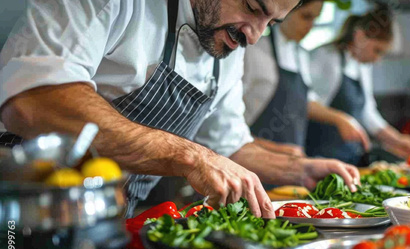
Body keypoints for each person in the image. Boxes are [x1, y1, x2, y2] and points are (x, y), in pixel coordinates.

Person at [0, 0, 360, 218]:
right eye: (253, 8)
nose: (254, 36)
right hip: (21, 214)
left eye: (271, 25)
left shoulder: (228, 47)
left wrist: (301, 170)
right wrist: (191, 156)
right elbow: (34, 100)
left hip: (114, 226)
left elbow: (231, 146)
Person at [243, 0, 370, 159]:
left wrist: (341, 119)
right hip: (253, 162)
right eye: (306, 17)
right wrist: (270, 149)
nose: (310, 26)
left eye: (315, 19)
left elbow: (304, 100)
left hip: (292, 163)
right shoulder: (254, 52)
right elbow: (227, 120)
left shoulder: (300, 55)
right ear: (285, 10)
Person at [306, 4, 410, 165]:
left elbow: (368, 113)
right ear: (360, 37)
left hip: (349, 156)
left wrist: (398, 139)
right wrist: (340, 119)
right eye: (377, 50)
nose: (378, 59)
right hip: (321, 156)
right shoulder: (326, 57)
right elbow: (308, 106)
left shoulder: (362, 66)